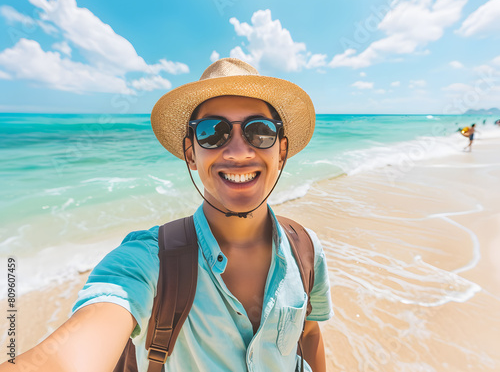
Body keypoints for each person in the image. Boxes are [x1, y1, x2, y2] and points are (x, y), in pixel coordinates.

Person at [0, 58, 333, 372]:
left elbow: (309, 334)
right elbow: (76, 349)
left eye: (259, 131)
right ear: (191, 154)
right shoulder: (149, 261)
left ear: (282, 150)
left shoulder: (304, 248)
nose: (238, 151)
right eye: (212, 132)